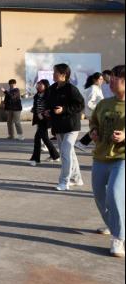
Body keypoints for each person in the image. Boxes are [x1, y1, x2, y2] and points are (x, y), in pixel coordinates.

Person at [89, 64, 125, 257]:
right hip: (101, 156)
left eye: (116, 78)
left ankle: (118, 237)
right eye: (111, 77)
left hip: (122, 158)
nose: (111, 81)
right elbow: (93, 121)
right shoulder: (104, 104)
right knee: (99, 195)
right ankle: (114, 224)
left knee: (114, 193)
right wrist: (93, 131)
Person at [46, 63, 85, 191]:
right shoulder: (52, 88)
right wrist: (49, 112)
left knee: (65, 153)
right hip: (59, 126)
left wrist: (64, 109)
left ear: (63, 74)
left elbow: (80, 105)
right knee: (70, 153)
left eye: (55, 72)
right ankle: (77, 179)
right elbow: (51, 105)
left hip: (71, 126)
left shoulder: (71, 89)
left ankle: (64, 182)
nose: (53, 74)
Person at [28, 79, 60, 166]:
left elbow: (51, 107)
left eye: (40, 84)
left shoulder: (49, 95)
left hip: (46, 120)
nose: (38, 86)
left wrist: (45, 113)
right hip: (39, 119)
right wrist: (34, 110)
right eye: (38, 84)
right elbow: (37, 106)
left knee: (38, 138)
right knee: (43, 138)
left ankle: (35, 159)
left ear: (45, 86)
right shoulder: (37, 95)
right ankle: (55, 155)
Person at [78, 72, 105, 149]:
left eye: (102, 79)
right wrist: (98, 109)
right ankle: (82, 143)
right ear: (94, 80)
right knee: (99, 129)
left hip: (93, 113)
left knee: (96, 129)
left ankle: (83, 143)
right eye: (100, 79)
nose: (102, 81)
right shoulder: (93, 88)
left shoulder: (95, 88)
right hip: (94, 113)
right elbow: (89, 103)